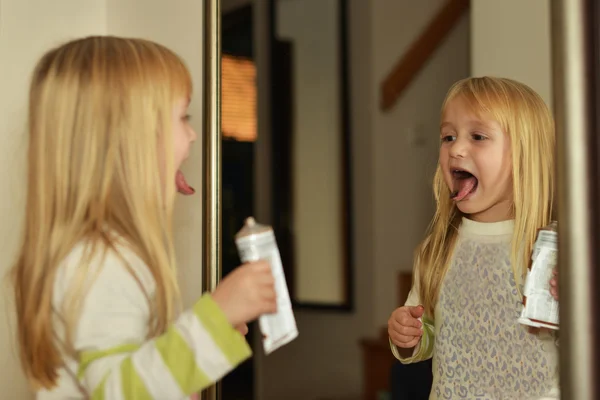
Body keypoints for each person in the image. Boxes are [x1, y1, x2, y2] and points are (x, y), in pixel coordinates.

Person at [11, 36, 277, 399]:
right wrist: (212, 320)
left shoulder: (102, 257)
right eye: (183, 117)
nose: (194, 133)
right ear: (129, 139)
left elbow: (134, 369)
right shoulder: (102, 262)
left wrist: (206, 335)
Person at [387, 77, 560, 399]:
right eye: (448, 136)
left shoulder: (552, 251)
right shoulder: (437, 250)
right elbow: (430, 333)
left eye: (478, 136)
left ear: (525, 155)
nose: (456, 148)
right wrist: (407, 335)